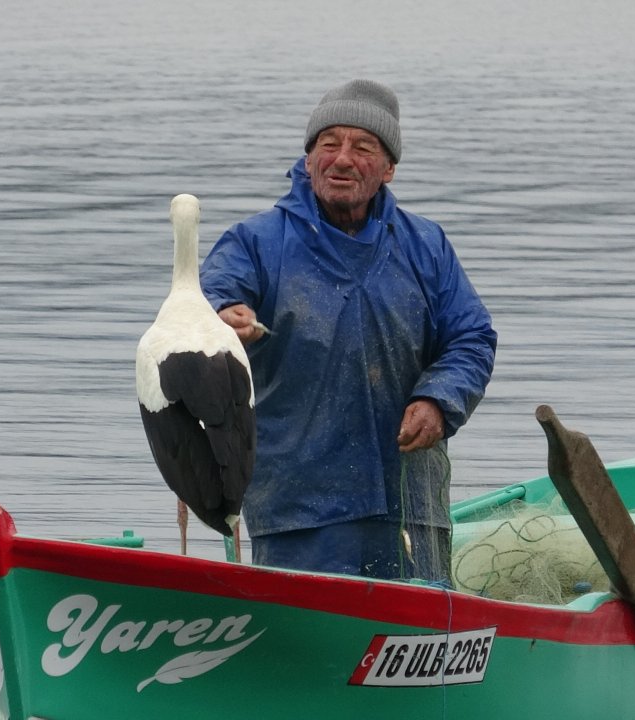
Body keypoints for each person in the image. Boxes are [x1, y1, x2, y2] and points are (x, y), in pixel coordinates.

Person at [199, 79, 496, 584]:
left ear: (388, 168)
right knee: (306, 636)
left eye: (363, 147)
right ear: (309, 156)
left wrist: (438, 400)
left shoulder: (426, 244)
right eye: (328, 143)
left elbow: (471, 338)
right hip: (300, 509)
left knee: (416, 639)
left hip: (411, 504)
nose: (342, 159)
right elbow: (204, 297)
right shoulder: (254, 242)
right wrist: (225, 316)